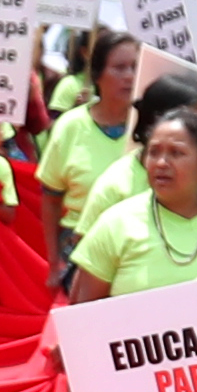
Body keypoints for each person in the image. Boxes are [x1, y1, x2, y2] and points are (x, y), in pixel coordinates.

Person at [65, 106, 197, 300]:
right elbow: (82, 314)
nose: (161, 163)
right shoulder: (115, 223)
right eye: (153, 152)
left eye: (176, 153)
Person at [38, 30, 142, 238]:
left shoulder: (154, 129)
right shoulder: (71, 125)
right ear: (97, 74)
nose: (130, 76)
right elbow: (51, 199)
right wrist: (53, 264)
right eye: (119, 68)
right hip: (79, 246)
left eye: (135, 67)